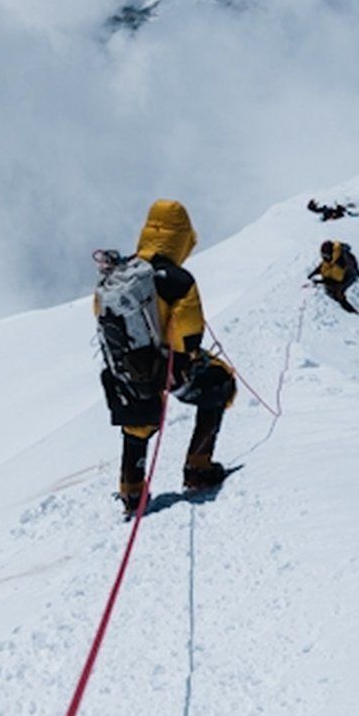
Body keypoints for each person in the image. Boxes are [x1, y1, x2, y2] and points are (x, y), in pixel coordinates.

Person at [95, 200, 236, 516]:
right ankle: (198, 467)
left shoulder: (121, 272)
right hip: (169, 368)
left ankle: (132, 493)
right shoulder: (178, 279)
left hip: (125, 369)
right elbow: (187, 333)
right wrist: (184, 358)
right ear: (181, 238)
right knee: (220, 384)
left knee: (138, 425)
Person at [310, 239, 359, 312]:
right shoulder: (331, 257)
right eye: (323, 255)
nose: (324, 258)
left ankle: (350, 312)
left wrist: (320, 281)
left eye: (326, 256)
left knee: (336, 291)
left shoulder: (340, 262)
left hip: (348, 275)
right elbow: (323, 266)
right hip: (338, 272)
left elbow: (335, 280)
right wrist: (312, 274)